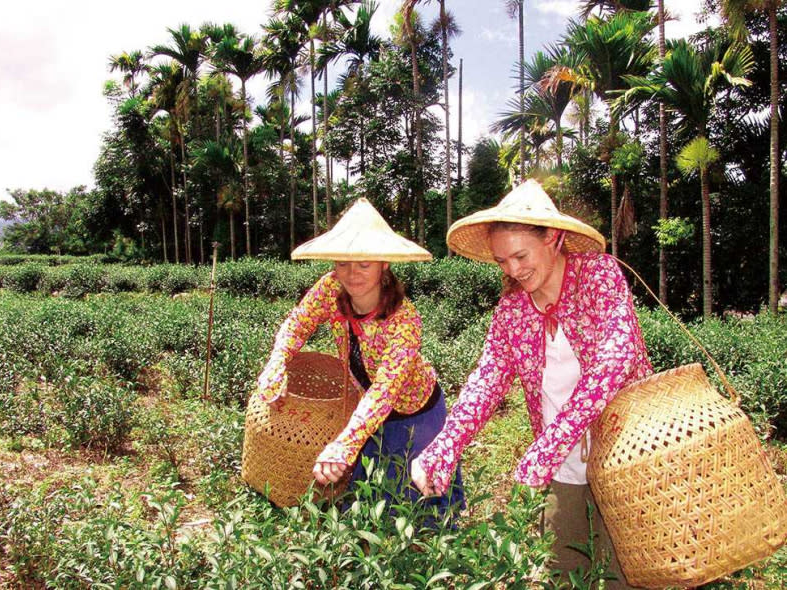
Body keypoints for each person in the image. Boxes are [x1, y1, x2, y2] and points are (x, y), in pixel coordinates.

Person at [410, 179, 652, 587]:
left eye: (520, 256)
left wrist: (547, 447)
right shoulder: (513, 309)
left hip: (629, 456)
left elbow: (617, 355)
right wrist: (444, 447)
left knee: (625, 576)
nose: (513, 270)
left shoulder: (597, 275)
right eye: (503, 261)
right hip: (563, 470)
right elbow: (487, 379)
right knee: (562, 572)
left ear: (553, 238)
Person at [255, 197, 464, 518]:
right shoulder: (330, 289)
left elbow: (384, 393)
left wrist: (343, 445)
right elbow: (297, 325)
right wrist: (277, 361)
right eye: (343, 263)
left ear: (384, 264)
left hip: (415, 415)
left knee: (420, 505)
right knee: (369, 502)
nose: (352, 274)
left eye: (364, 264)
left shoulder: (404, 321)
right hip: (365, 413)